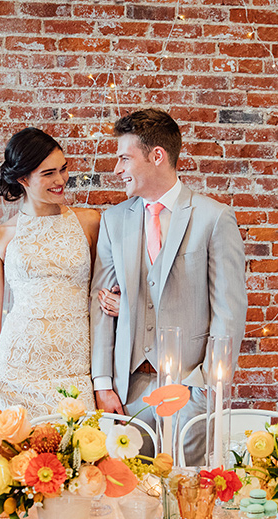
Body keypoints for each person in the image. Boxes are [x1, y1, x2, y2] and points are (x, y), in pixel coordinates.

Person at [90, 108, 247, 465]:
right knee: (126, 498)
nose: (117, 170)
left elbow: (229, 310)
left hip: (189, 390)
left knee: (182, 500)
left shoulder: (213, 218)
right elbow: (99, 307)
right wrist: (103, 383)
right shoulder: (113, 221)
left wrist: (206, 388)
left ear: (157, 156)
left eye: (124, 158)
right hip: (125, 392)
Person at [0, 127, 100, 418]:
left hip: (74, 371)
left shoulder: (89, 223)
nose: (61, 180)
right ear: (23, 178)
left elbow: (102, 294)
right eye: (48, 173)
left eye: (63, 169)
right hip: (15, 373)